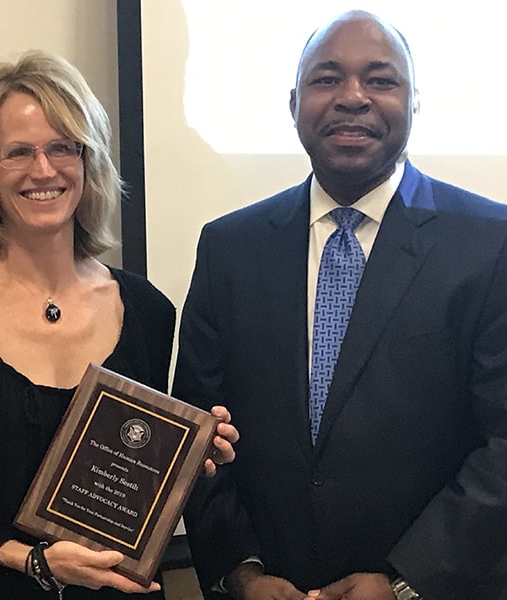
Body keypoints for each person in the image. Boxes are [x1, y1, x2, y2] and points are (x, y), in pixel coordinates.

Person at [174, 9, 507, 600]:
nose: (352, 97)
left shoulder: (489, 242)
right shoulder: (229, 247)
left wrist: (407, 582)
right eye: (327, 79)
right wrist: (241, 572)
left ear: (415, 103)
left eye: (380, 80)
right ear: (295, 102)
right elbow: (197, 432)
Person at [0, 51, 239, 599]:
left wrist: (190, 458)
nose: (44, 169)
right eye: (19, 153)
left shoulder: (148, 311)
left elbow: (133, 480)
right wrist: (34, 562)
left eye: (63, 147)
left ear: (89, 160)